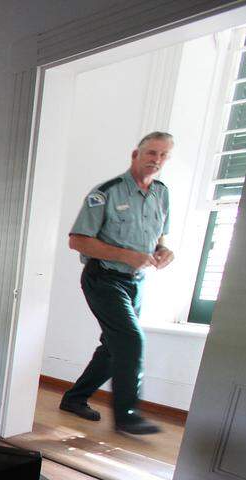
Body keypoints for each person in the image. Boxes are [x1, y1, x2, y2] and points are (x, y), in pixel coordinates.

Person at [59, 132, 175, 436]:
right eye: (151, 153)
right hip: (103, 277)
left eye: (163, 155)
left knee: (113, 347)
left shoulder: (161, 193)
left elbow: (159, 237)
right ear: (135, 154)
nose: (156, 160)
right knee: (131, 340)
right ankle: (127, 416)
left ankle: (74, 398)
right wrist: (127, 255)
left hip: (135, 282)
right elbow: (77, 240)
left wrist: (163, 251)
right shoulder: (106, 193)